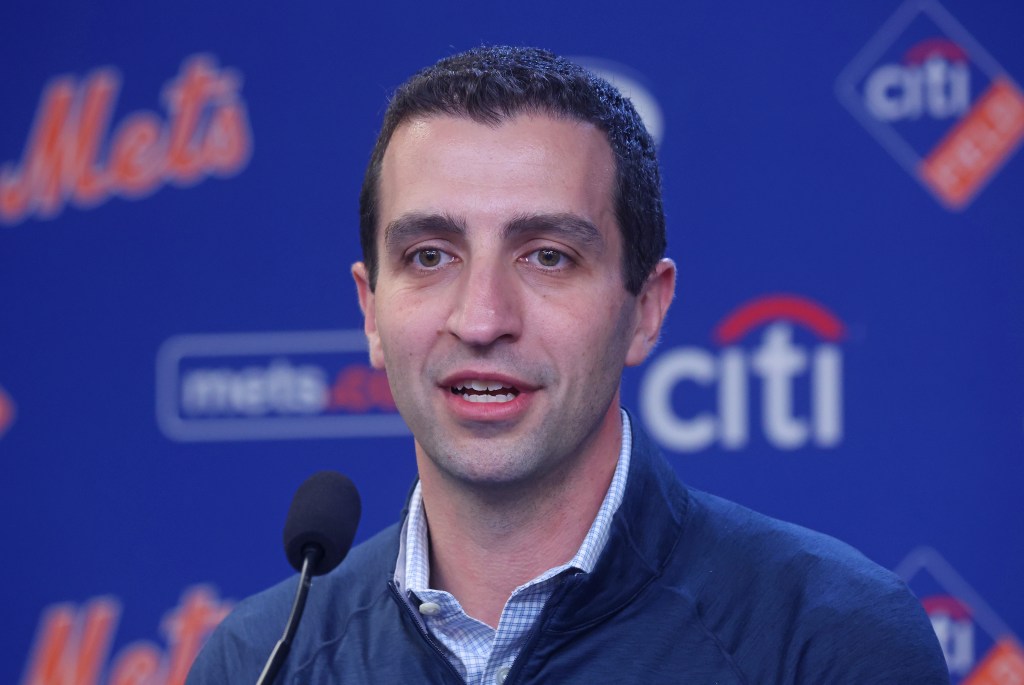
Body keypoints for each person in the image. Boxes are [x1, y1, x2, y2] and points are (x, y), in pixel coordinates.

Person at [187, 46, 949, 684]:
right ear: (370, 310)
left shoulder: (828, 641)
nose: (482, 318)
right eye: (430, 256)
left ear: (645, 309)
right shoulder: (261, 661)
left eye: (548, 256)